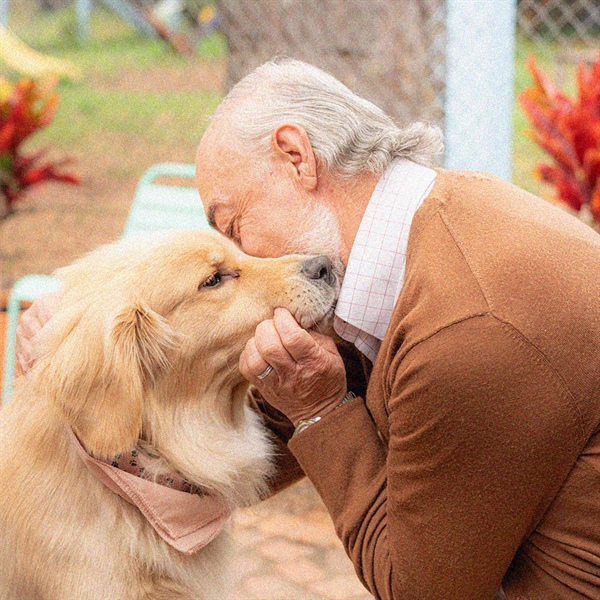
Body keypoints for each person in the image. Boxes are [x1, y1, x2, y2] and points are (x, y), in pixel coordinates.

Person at [17, 59, 600, 600]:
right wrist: (79, 349)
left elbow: (420, 590)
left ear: (297, 156)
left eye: (234, 225)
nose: (246, 253)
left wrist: (322, 410)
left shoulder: (468, 330)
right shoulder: (434, 225)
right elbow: (226, 443)